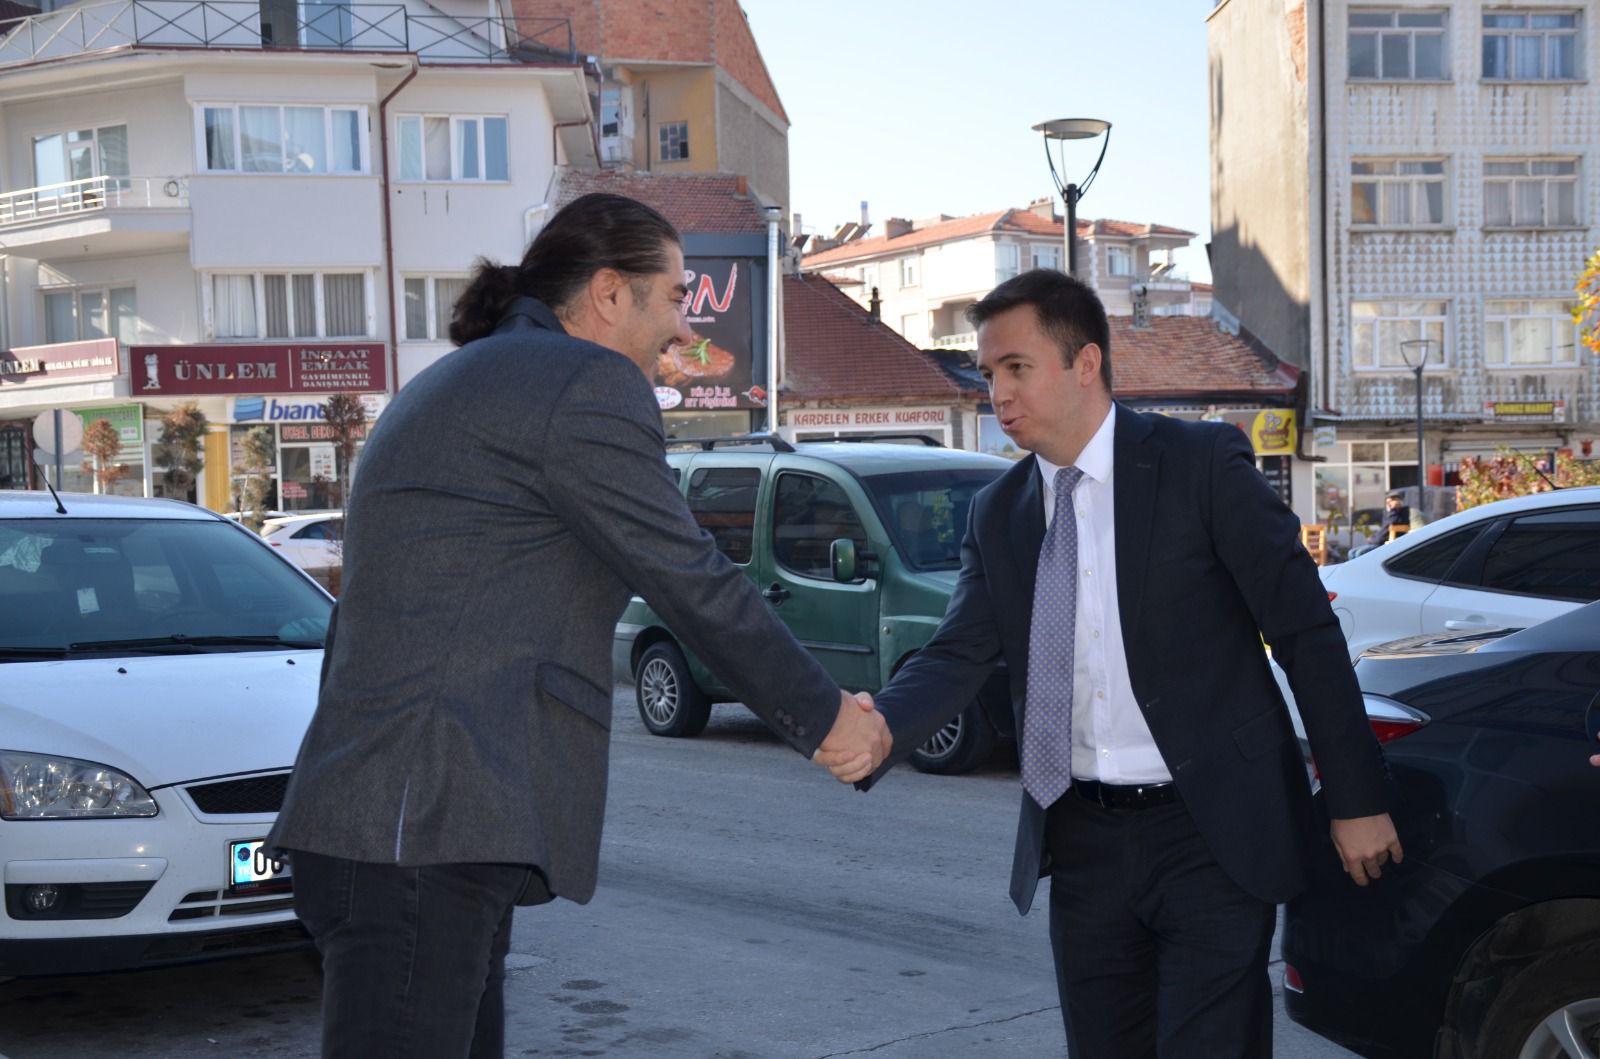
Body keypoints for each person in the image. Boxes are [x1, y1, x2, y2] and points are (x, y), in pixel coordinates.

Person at [268, 192, 890, 1059]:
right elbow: (689, 576)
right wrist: (827, 720)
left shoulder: (476, 375)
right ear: (607, 292)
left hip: (410, 826)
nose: (684, 327)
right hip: (424, 831)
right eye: (673, 296)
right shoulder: (580, 383)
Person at [825, 269, 1401, 1059]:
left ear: (1085, 363)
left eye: (1017, 367)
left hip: (1211, 833)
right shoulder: (1000, 512)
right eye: (988, 373)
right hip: (1084, 841)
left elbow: (1305, 631)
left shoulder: (1199, 464)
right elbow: (959, 651)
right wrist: (883, 726)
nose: (998, 393)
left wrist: (1356, 797)